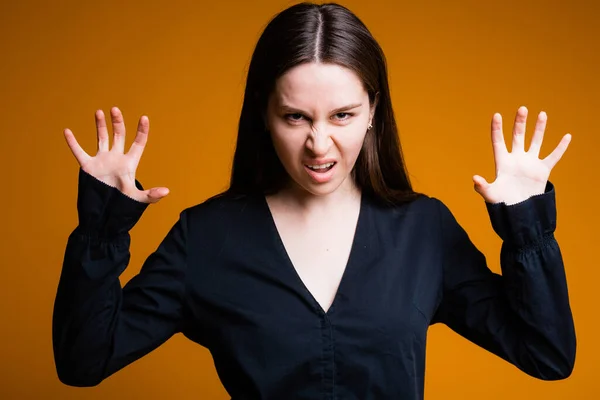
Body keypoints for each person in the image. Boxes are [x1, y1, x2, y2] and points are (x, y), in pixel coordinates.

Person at [52, 2, 576, 399]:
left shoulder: (423, 229)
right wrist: (103, 226)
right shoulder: (206, 237)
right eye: (296, 116)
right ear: (264, 114)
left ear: (374, 111)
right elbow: (84, 361)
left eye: (342, 115)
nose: (319, 144)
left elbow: (546, 354)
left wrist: (525, 225)